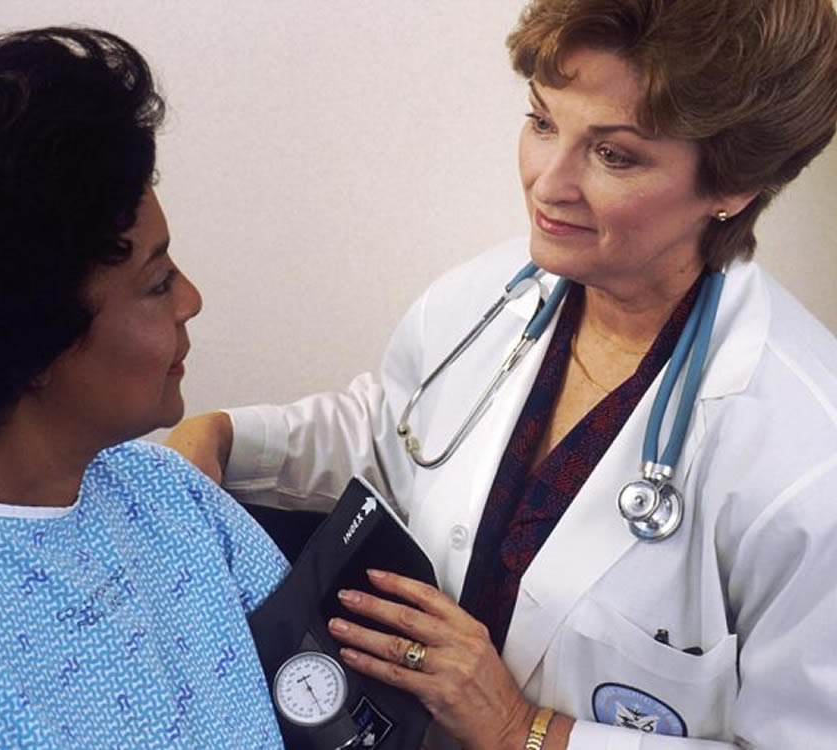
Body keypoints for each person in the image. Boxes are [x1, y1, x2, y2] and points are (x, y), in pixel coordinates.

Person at [168, 0, 837, 747]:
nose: (547, 184)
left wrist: (525, 728)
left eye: (614, 155)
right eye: (543, 122)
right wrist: (226, 439)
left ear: (734, 187)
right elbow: (398, 434)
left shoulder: (807, 459)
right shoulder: (489, 295)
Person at [0, 27, 289, 749]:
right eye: (157, 282)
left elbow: (332, 703)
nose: (192, 300)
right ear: (28, 342)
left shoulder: (168, 495)